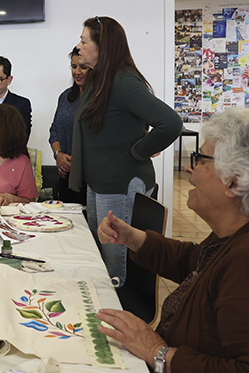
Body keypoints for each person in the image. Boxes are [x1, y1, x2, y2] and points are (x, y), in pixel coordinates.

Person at [95, 107, 249, 373]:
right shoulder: (227, 238)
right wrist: (132, 237)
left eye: (200, 160)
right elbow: (191, 261)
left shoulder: (244, 261)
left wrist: (158, 353)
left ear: (234, 182)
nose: (189, 168)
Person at [69, 16, 182, 287]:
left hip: (119, 185)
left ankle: (118, 309)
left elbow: (170, 123)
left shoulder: (123, 81)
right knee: (100, 257)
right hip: (99, 182)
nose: (79, 46)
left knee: (114, 266)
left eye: (84, 41)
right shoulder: (98, 79)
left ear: (103, 46)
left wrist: (139, 151)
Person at [49, 47, 89, 204]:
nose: (77, 72)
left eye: (83, 67)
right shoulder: (65, 97)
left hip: (90, 177)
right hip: (66, 174)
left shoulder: (100, 99)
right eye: (73, 66)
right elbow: (54, 130)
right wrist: (58, 155)